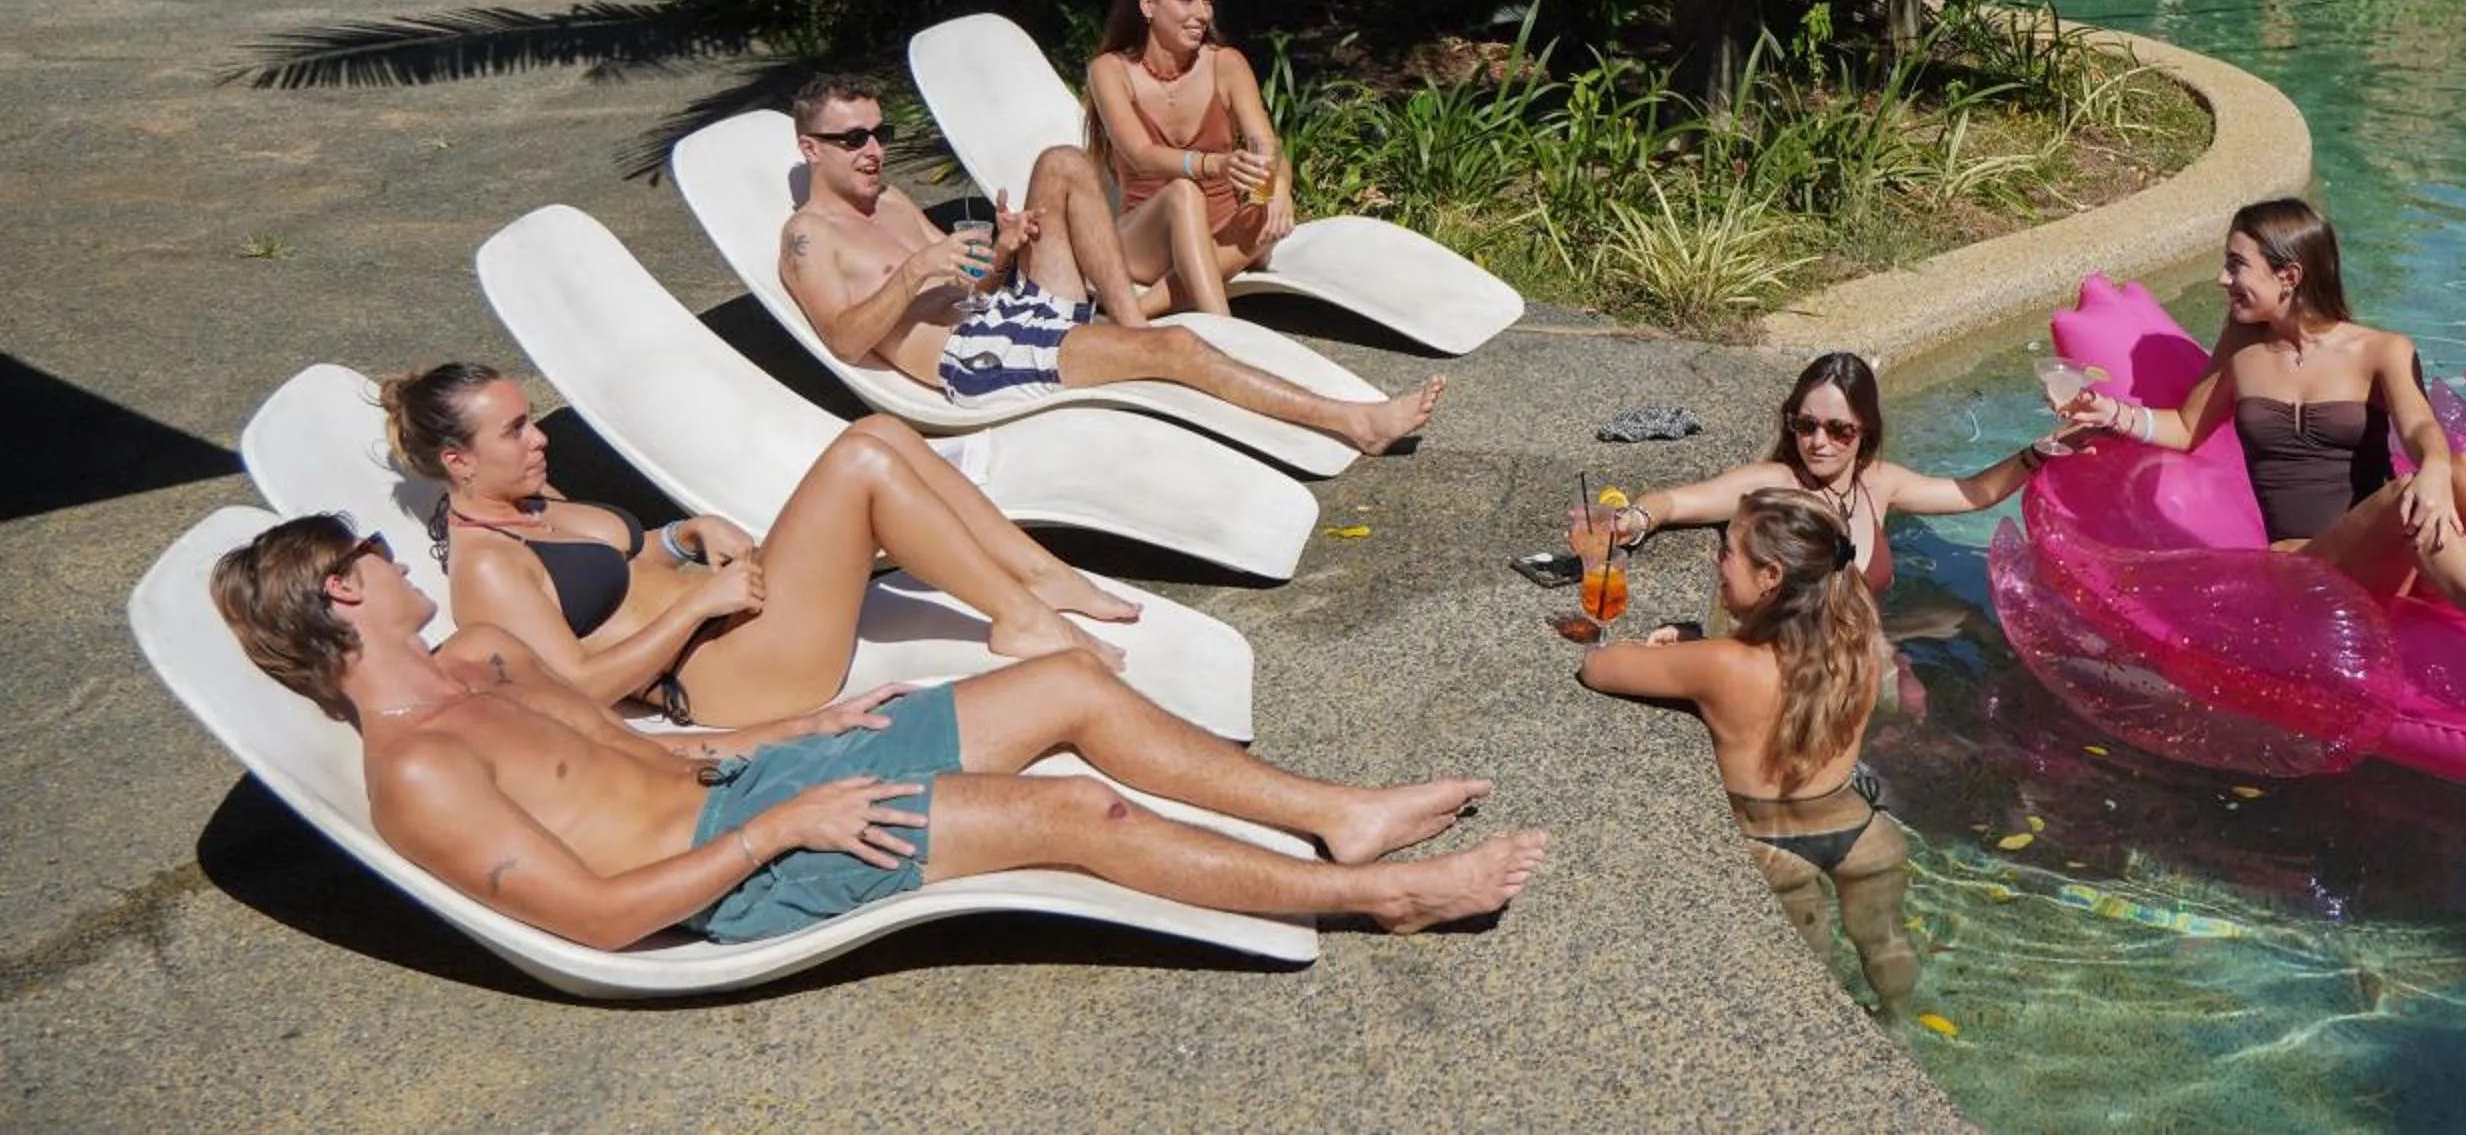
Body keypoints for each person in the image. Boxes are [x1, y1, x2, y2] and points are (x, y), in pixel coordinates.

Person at [210, 515, 1549, 949]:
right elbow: (599, 915)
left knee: (1065, 686)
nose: (397, 559)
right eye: (373, 554)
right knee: (1076, 814)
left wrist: (809, 727)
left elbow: (635, 749)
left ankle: (1335, 814)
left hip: (765, 777)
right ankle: (1381, 897)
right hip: (740, 864)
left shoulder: (482, 658)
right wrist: (782, 821)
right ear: (343, 595)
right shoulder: (419, 771)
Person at [2061, 197, 2466, 688]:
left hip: (2394, 556)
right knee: (2404, 498)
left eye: (2237, 266)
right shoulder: (2242, 347)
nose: (2223, 279)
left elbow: (2421, 427)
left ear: (2289, 276)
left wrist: (2435, 469)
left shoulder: (2383, 351)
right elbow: (2187, 428)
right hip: (2305, 571)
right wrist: (2110, 412)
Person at [384, 362, 1137, 728]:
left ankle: (1039, 574)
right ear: (458, 461)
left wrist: (683, 535)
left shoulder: (528, 500)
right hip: (731, 676)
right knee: (862, 464)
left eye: (530, 420)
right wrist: (695, 608)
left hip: (738, 618)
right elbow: (577, 688)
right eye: (515, 430)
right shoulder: (489, 568)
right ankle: (1020, 619)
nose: (541, 438)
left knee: (878, 431)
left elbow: (620, 567)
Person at [775, 73, 1441, 455]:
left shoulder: (890, 200)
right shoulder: (808, 238)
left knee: (1062, 163)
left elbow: (973, 283)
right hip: (979, 359)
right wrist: (917, 270)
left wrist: (1002, 249)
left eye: (880, 134)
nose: (874, 151)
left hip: (1003, 313)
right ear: (811, 148)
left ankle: (1130, 325)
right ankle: (1353, 422)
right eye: (853, 139)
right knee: (1179, 349)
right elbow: (844, 338)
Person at [1578, 489, 1915, 1017]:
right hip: (1864, 834)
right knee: (1886, 944)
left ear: (1770, 576)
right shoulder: (1860, 648)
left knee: (1806, 984)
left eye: (1727, 551)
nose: (1718, 562)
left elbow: (1598, 668)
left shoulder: (1721, 664)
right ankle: (1897, 1021)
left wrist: (1689, 647)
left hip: (1775, 849)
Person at [1613, 351, 2056, 601]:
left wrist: (2041, 452)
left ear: (1865, 432)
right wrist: (1634, 520)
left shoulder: (1879, 484)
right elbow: (1672, 502)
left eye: (1839, 430)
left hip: (1867, 654)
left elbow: (1975, 493)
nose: (1818, 442)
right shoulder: (1775, 484)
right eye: (1806, 425)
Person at [1082, 0, 1291, 319]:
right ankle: (1223, 327)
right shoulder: (1109, 71)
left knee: (1265, 211)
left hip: (1219, 235)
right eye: (1187, 0)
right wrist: (1215, 165)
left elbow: (1265, 145)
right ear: (1148, 5)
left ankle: (1136, 313)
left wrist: (1278, 188)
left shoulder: (1226, 64)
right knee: (1183, 191)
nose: (1203, 14)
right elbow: (1141, 155)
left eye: (1207, 1)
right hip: (1146, 243)